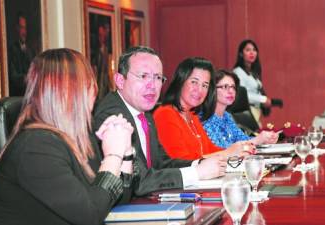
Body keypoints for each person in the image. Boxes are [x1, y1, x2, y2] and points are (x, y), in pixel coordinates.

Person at [0, 48, 135, 225]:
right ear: (72, 94)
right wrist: (112, 156)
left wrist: (125, 153)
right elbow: (90, 216)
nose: (94, 95)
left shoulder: (79, 136)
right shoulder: (35, 147)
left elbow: (114, 200)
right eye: (89, 86)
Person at [94, 46, 227, 196]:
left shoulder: (145, 114)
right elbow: (139, 181)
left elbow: (161, 162)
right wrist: (196, 173)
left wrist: (198, 164)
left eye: (157, 77)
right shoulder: (112, 115)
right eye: (143, 76)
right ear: (120, 80)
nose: (152, 85)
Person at [153, 57, 255, 161]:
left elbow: (210, 150)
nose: (200, 90)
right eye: (194, 82)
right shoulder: (165, 114)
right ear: (180, 81)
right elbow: (180, 162)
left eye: (205, 85)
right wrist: (228, 153)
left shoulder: (192, 115)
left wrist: (236, 153)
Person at [202, 69, 279, 148]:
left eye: (233, 87)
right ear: (212, 90)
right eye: (225, 86)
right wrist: (256, 141)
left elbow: (243, 139)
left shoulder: (226, 116)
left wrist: (263, 140)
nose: (231, 91)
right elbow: (220, 149)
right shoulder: (205, 118)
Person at [233, 39, 283, 125]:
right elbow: (241, 94)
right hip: (245, 114)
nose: (252, 53)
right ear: (241, 54)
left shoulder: (253, 73)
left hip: (256, 112)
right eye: (248, 50)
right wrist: (263, 100)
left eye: (254, 50)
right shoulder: (238, 72)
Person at [8, 12, 35, 96]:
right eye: (21, 28)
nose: (24, 32)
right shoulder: (11, 50)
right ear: (16, 28)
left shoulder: (31, 50)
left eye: (25, 28)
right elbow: (13, 76)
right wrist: (25, 78)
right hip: (17, 96)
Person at [91, 22, 112, 100]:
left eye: (103, 35)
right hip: (100, 88)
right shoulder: (95, 52)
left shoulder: (110, 51)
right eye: (99, 35)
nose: (101, 37)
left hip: (108, 87)